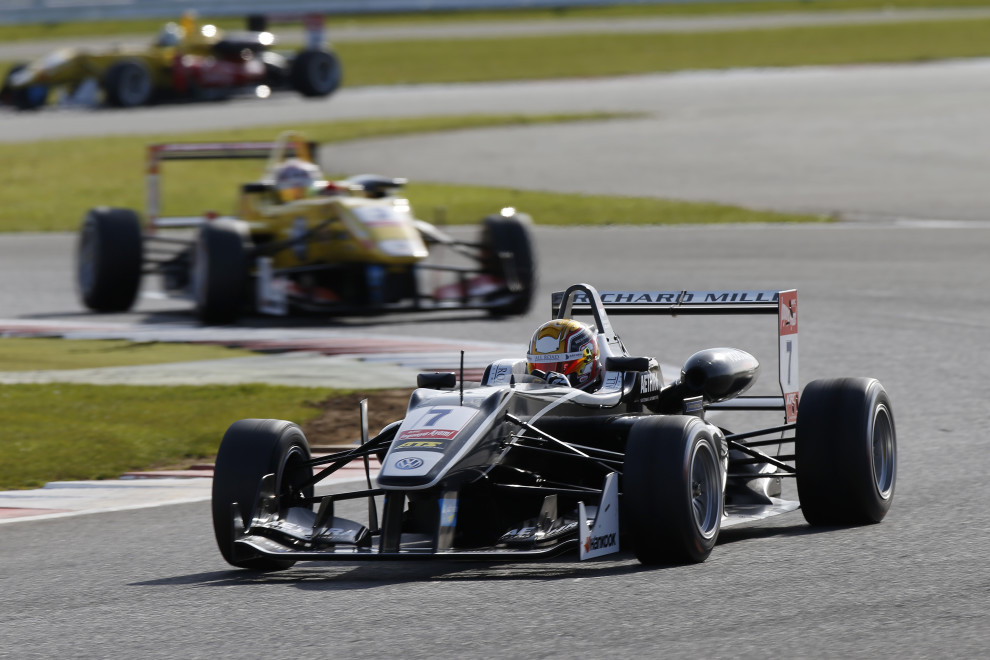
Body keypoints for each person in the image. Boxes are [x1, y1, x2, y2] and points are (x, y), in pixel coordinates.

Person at [526, 319, 603, 391]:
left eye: (561, 367)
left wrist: (564, 391)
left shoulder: (604, 398)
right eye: (542, 367)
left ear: (587, 359)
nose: (546, 378)